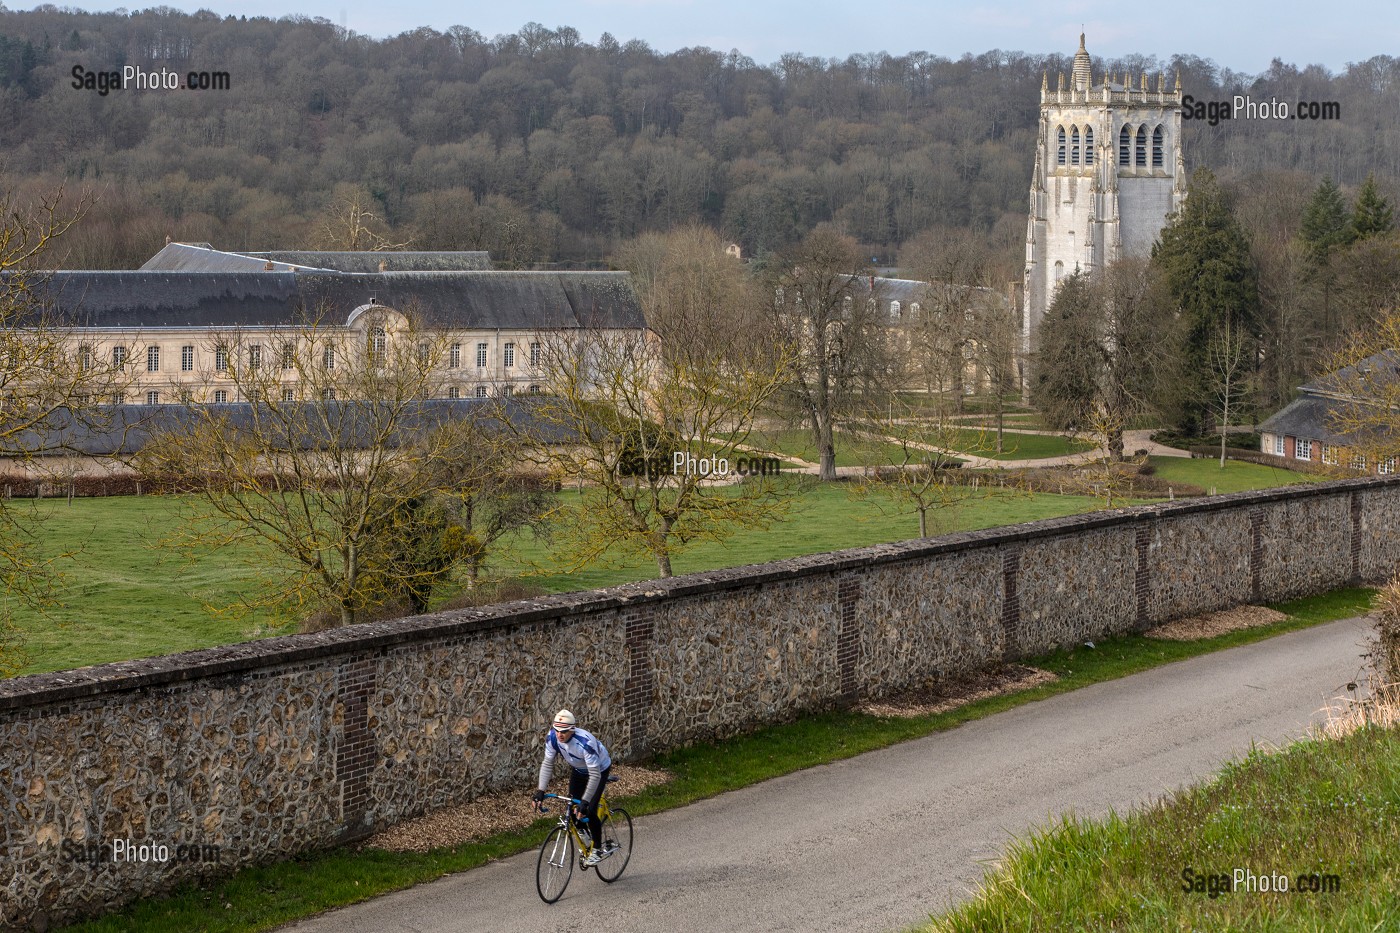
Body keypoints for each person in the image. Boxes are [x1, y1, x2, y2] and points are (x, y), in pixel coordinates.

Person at [533, 709, 616, 866]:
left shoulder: (585, 743)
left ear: (572, 729)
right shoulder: (552, 738)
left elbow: (594, 775)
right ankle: (584, 831)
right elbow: (547, 763)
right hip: (578, 770)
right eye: (557, 730)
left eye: (564, 731)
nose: (559, 735)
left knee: (589, 809)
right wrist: (540, 791)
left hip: (599, 770)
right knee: (572, 807)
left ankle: (597, 849)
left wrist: (585, 801)